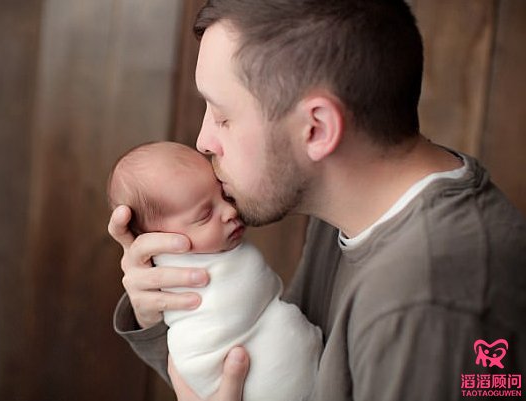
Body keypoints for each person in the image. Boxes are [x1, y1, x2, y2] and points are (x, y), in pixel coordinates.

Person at [109, 1, 526, 400]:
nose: (204, 142)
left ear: (316, 129)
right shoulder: (349, 205)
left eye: (222, 116)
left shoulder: (431, 303)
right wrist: (165, 312)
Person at [108, 141, 322, 401]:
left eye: (224, 195)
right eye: (204, 215)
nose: (230, 211)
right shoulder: (170, 276)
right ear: (158, 237)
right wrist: (148, 322)